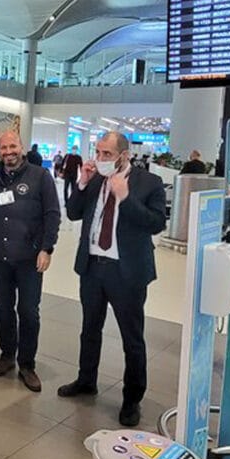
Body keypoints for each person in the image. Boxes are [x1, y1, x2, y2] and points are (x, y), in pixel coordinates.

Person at [58, 132, 166, 428]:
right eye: (98, 151)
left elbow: (157, 223)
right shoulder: (94, 179)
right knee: (89, 329)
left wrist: (125, 197)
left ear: (124, 155)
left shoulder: (149, 183)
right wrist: (81, 183)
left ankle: (132, 398)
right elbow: (73, 213)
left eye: (107, 154)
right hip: (93, 267)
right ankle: (86, 379)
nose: (101, 158)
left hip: (127, 272)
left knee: (132, 338)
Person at [0, 131, 60, 392]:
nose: (8, 152)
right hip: (0, 257)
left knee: (28, 311)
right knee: (3, 307)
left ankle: (27, 364)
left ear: (22, 147)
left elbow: (52, 214)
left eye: (12, 146)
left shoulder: (40, 177)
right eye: (3, 148)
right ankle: (6, 356)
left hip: (29, 258)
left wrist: (46, 248)